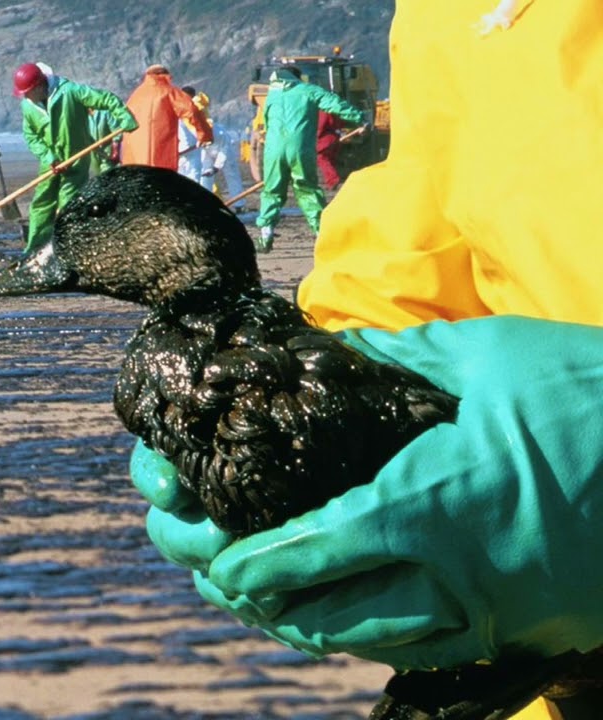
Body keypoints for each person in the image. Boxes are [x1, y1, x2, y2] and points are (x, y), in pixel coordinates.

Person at [129, 2, 603, 718]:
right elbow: (423, 206)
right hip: (551, 641)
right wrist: (330, 362)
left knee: (300, 194)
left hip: (556, 534)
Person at [13, 61, 137, 254]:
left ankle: (64, 245)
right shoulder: (28, 106)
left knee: (68, 202)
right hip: (50, 162)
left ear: (39, 85)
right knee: (41, 203)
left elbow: (105, 99)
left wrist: (123, 115)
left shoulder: (70, 91)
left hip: (75, 158)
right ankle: (34, 248)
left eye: (27, 92)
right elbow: (31, 136)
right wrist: (49, 157)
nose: (25, 96)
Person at [254, 66, 366, 252]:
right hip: (300, 148)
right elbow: (335, 104)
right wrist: (359, 119)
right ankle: (321, 234)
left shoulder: (271, 96)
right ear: (298, 78)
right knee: (307, 189)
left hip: (273, 150)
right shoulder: (308, 91)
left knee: (271, 191)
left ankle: (266, 236)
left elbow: (267, 122)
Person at [119, 66, 211, 172]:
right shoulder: (169, 92)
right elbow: (191, 111)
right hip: (160, 153)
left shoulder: (135, 96)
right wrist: (205, 135)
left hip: (135, 156)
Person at [315, 109, 349, 191]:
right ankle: (337, 179)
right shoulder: (334, 110)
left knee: (322, 158)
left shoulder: (323, 111)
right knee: (331, 159)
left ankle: (333, 180)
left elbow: (320, 126)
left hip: (325, 138)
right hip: (334, 137)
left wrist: (316, 137)